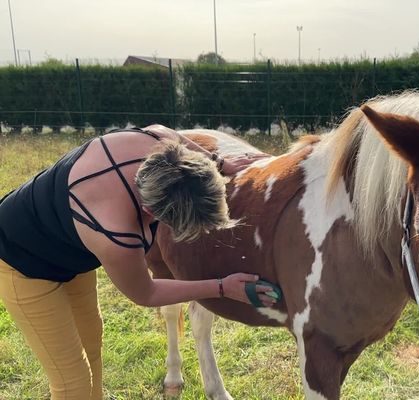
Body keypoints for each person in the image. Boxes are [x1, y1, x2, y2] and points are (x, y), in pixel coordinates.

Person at [0, 124, 274, 400]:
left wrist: (219, 163)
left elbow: (164, 130)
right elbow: (147, 292)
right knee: (73, 384)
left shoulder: (154, 144)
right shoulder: (117, 234)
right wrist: (222, 288)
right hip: (23, 265)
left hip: (64, 250)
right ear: (148, 210)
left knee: (92, 343)